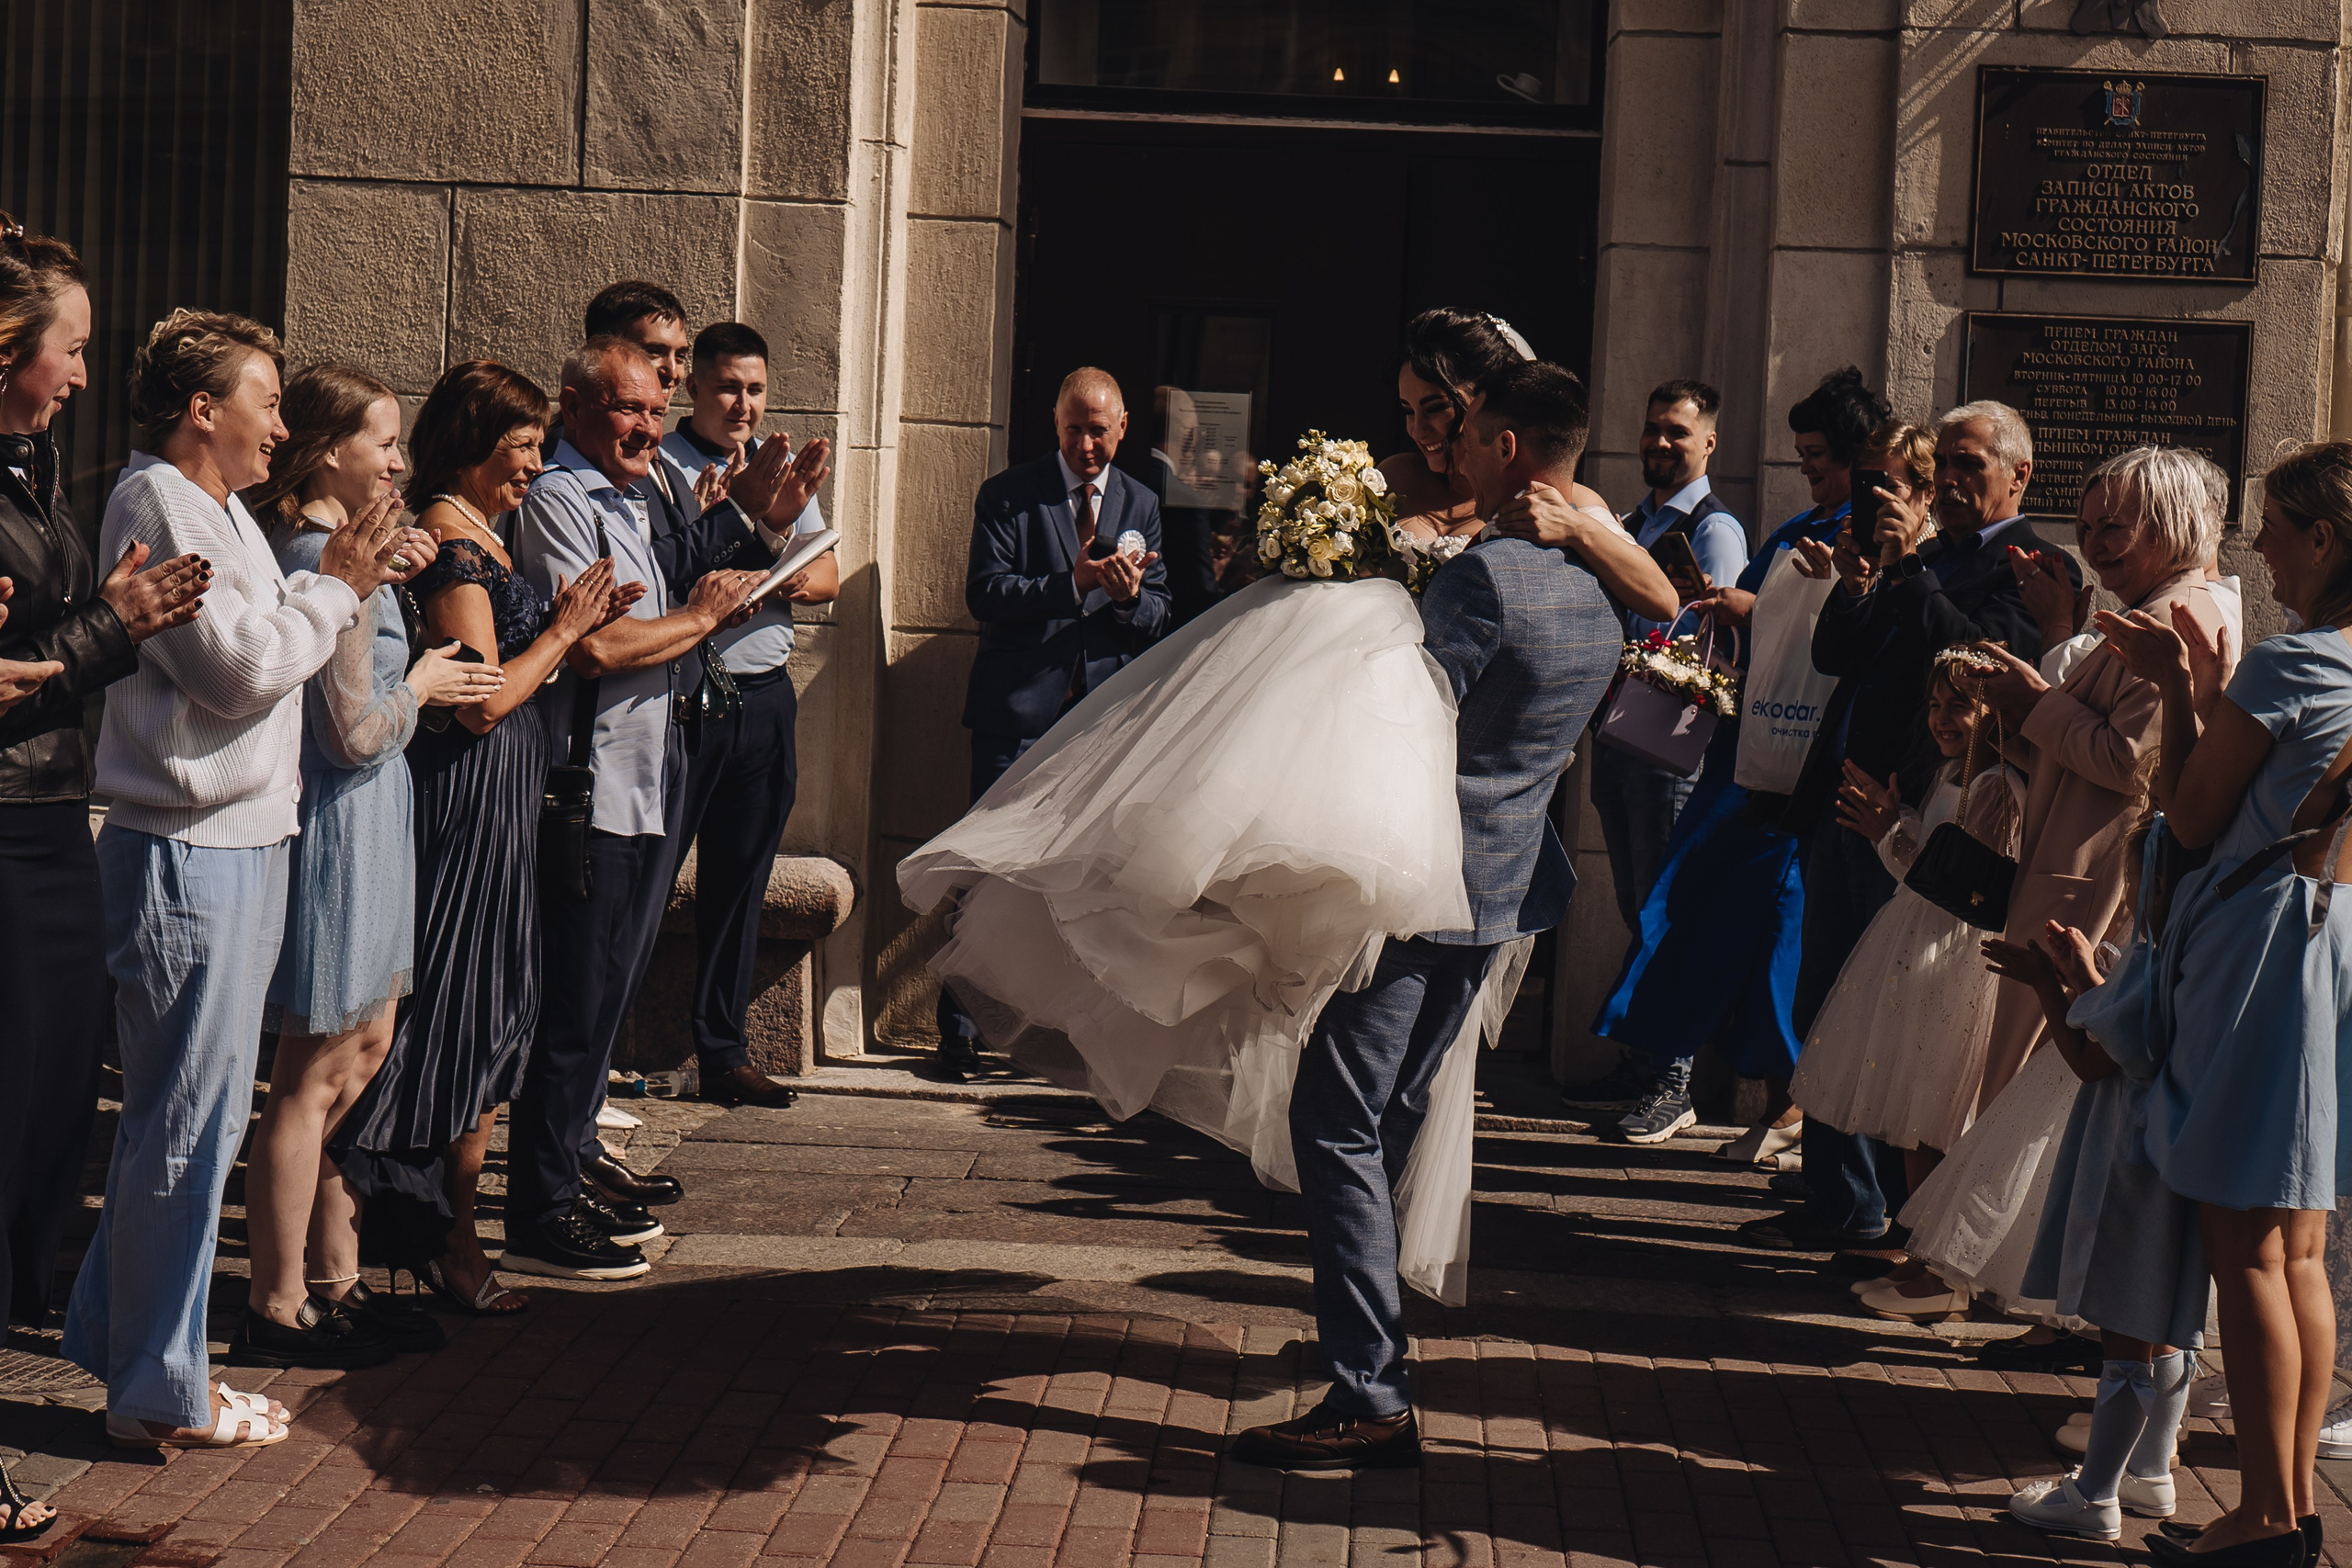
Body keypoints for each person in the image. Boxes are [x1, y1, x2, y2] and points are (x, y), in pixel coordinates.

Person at [1228, 360, 1622, 1469]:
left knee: (1335, 1121)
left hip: (1424, 884)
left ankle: (1369, 1388)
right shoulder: (1596, 581)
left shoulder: (1486, 579)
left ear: (1506, 446)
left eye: (1472, 437)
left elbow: (1401, 717)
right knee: (1386, 1117)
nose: (1455, 454)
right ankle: (1372, 1362)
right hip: (1503, 893)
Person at [65, 309, 424, 1450]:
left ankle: (118, 1346)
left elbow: (272, 639)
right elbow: (242, 667)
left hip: (243, 843)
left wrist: (310, 604)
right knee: (185, 1130)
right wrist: (338, 593)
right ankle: (160, 1385)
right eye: (264, 402)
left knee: (191, 1126)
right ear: (203, 411)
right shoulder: (155, 501)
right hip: (187, 849)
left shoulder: (218, 508)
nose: (281, 425)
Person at [1871, 446, 2234, 1324]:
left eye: (2119, 522)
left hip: (2098, 889)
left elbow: (2128, 760)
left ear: (2175, 523)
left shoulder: (2185, 614)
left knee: (2052, 1099)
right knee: (2027, 1099)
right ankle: (2034, 1294)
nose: (2098, 538)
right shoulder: (2149, 605)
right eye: (2092, 519)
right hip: (2069, 873)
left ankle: (2048, 1305)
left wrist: (2035, 698)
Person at [1738, 397, 2076, 1251]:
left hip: (1925, 821)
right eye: (1944, 469)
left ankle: (1893, 1208)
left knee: (1899, 1022)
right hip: (1847, 807)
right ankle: (1837, 1197)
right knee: (1830, 1006)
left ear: (2019, 475)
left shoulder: (2032, 569)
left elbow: (1984, 664)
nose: (1954, 484)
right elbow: (1836, 655)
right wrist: (1865, 577)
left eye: (1968, 467)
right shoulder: (1921, 559)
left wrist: (1912, 571)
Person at [333, 360, 629, 1315]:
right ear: (470, 447)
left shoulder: (480, 539)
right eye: (522, 447)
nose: (537, 466)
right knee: (463, 1018)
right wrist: (566, 628)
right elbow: (482, 702)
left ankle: (430, 1231)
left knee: (494, 1015)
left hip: (505, 800)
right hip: (470, 798)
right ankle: (433, 1236)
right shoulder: (457, 553)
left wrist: (574, 619)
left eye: (542, 445)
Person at [2102, 440, 2352, 1568]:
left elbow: (2194, 819)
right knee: (2299, 1244)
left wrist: (2175, 685)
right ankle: (2283, 1511)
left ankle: (2264, 1516)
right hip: (2331, 934)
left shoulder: (2295, 667)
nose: (2257, 546)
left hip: (2258, 944)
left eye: (2272, 524)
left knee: (2247, 1245)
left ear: (2324, 541)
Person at [0, 212, 208, 1535]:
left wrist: (80, 637)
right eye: (68, 347)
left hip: (42, 817)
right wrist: (103, 629)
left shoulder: (30, 465)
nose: (83, 371)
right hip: (9, 829)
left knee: (42, 1132)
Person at [232, 366, 502, 1369]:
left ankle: (335, 1282)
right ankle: (279, 1300)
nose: (398, 461)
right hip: (346, 824)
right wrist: (427, 678)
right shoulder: (313, 555)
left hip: (377, 819)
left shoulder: (348, 556)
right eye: (382, 444)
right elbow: (350, 730)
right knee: (314, 1070)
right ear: (327, 449)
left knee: (363, 1054)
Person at [503, 336, 778, 1280]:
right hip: (586, 789)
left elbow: (651, 623)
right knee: (576, 1005)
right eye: (627, 410)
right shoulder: (560, 500)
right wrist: (701, 619)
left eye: (656, 412)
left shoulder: (639, 492)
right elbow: (602, 647)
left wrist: (733, 559)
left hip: (643, 782)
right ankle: (536, 1211)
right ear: (573, 409)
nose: (647, 427)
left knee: (605, 996)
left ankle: (569, 1167)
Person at [1584, 368, 1886, 1151]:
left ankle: (1777, 1104)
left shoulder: (1867, 533)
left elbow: (1837, 633)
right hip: (1750, 754)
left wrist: (1756, 607)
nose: (1809, 467)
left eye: (1821, 454)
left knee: (1780, 934)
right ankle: (1745, 1093)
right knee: (1695, 913)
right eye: (1802, 453)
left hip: (1797, 766)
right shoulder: (1802, 522)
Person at [937, 366, 1171, 1081]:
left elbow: (1162, 613)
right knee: (983, 872)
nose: (1086, 444)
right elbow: (987, 592)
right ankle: (961, 1031)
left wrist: (1130, 601)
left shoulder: (1142, 500)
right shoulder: (1009, 494)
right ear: (1056, 424)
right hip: (1019, 717)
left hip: (1101, 723)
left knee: (1089, 882)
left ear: (1123, 427)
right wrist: (1073, 583)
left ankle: (1073, 1035)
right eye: (1074, 428)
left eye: (1098, 430)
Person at [1790, 654, 2024, 1320]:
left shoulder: (1999, 787)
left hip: (1953, 961)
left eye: (1960, 705)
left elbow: (1955, 884)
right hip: (1919, 952)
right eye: (1935, 705)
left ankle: (1940, 1271)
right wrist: (1898, 825)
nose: (1943, 719)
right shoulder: (1955, 776)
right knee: (1914, 1115)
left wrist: (1887, 832)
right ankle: (1921, 1256)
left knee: (1933, 1115)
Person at [1991, 873, 2203, 1542]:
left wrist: (2063, 983)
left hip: (2134, 1152)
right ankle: (2150, 1470)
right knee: (2167, 1314)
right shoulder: (2213, 948)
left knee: (2124, 1322)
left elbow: (2099, 1057)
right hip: (2181, 1149)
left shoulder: (2158, 951)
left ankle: (2096, 1492)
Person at [658, 321, 836, 1108]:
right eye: (729, 386)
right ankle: (610, 1051)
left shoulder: (779, 466)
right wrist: (735, 534)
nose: (744, 403)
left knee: (742, 877)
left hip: (763, 694)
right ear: (694, 386)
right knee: (652, 874)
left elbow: (829, 572)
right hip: (687, 695)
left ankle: (722, 1048)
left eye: (756, 389)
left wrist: (773, 571)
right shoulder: (661, 466)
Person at [1380, 308, 1675, 620]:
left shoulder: (1562, 497)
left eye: (1435, 408)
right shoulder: (1395, 475)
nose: (1417, 430)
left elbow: (1663, 601)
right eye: (1408, 411)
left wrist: (1577, 528)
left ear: (1487, 403)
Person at [1589, 379, 1747, 957]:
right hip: (1617, 733)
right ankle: (1648, 1046)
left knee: (1663, 911)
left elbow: (1716, 645)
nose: (1659, 441)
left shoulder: (1714, 530)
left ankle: (1668, 1051)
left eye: (1676, 431)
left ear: (1708, 443)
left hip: (1668, 741)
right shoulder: (1634, 522)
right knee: (1636, 907)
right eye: (1653, 428)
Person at [1147, 384, 1223, 626]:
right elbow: (1200, 594)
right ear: (1190, 436)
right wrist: (1225, 577)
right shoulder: (1187, 501)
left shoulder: (1120, 481)